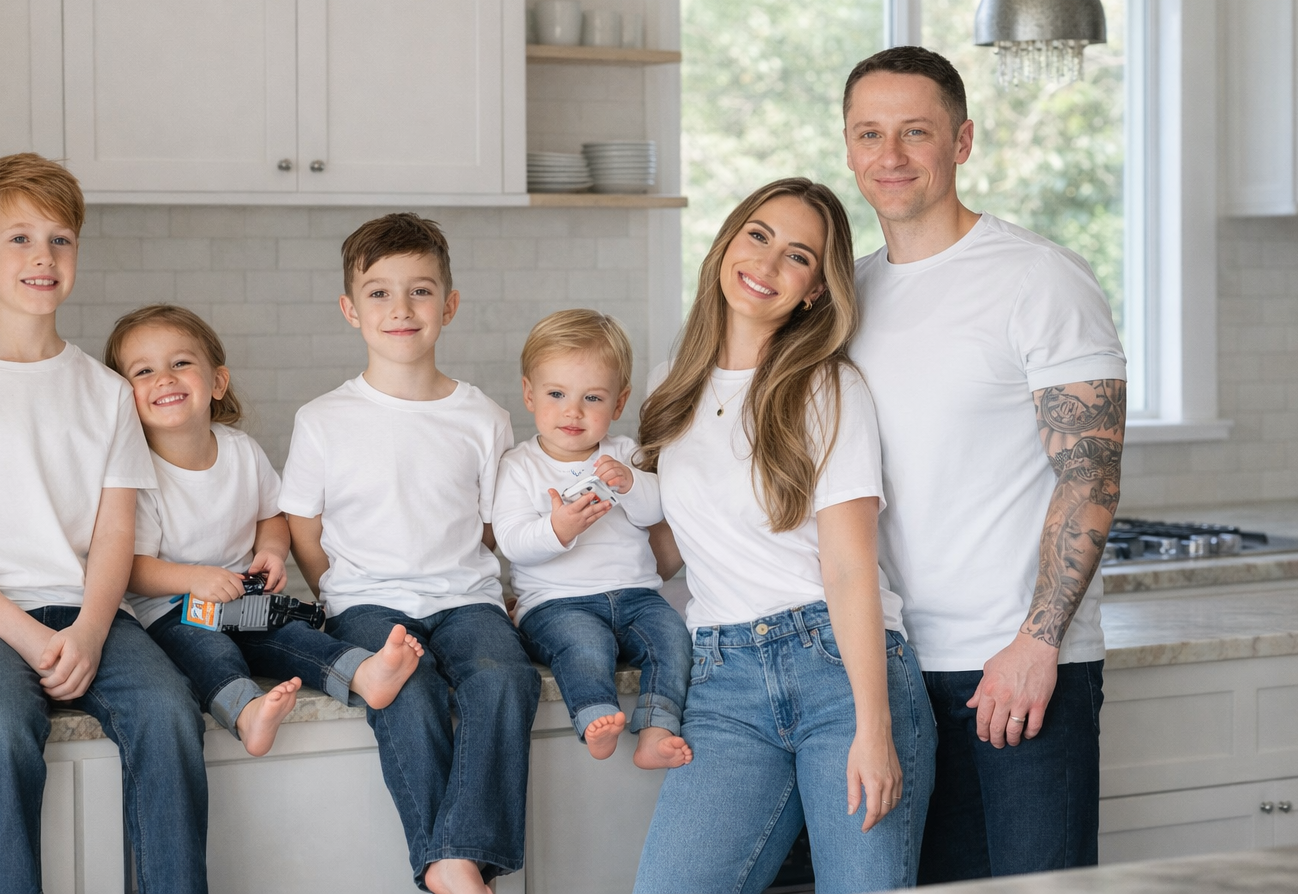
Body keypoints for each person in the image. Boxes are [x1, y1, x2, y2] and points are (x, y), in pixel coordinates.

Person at [0, 153, 209, 894]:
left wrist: (89, 631)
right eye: (19, 239)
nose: (43, 256)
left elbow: (116, 533)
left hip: (89, 607)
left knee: (167, 711)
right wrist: (30, 639)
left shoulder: (107, 392)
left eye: (60, 239)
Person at [842, 46, 1127, 882]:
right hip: (893, 674)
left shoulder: (1038, 277)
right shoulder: (847, 295)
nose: (890, 156)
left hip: (1019, 666)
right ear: (849, 147)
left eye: (916, 131)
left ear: (961, 141)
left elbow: (1091, 475)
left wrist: (1038, 644)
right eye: (869, 133)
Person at [632, 178, 936, 894]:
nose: (767, 264)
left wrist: (874, 728)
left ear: (815, 291)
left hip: (839, 671)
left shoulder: (828, 388)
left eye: (798, 256)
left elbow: (850, 568)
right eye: (759, 236)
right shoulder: (670, 387)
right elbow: (672, 547)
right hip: (722, 680)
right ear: (727, 244)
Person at [278, 212, 542, 894]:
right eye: (379, 293)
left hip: (467, 601)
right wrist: (335, 590)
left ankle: (447, 863)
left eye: (420, 291)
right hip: (367, 602)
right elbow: (302, 523)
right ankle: (461, 867)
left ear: (448, 306)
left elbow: (492, 526)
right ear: (350, 310)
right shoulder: (323, 420)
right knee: (409, 690)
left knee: (504, 678)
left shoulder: (483, 417)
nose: (401, 308)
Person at [103, 303, 425, 757]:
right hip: (172, 612)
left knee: (295, 639)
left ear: (218, 382)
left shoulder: (242, 452)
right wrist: (194, 579)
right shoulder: (135, 473)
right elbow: (130, 568)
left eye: (181, 363)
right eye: (144, 371)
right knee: (210, 653)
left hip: (243, 600)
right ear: (123, 396)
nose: (165, 379)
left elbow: (270, 516)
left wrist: (272, 551)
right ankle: (245, 710)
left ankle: (363, 674)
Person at [493, 308, 691, 769]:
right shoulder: (519, 466)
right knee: (584, 647)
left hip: (637, 595)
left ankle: (657, 729)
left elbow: (658, 511)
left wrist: (632, 484)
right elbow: (512, 541)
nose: (573, 411)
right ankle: (594, 715)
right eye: (557, 393)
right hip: (557, 604)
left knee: (673, 639)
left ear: (618, 405)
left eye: (593, 398)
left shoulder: (625, 454)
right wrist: (557, 529)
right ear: (529, 394)